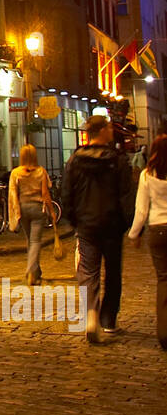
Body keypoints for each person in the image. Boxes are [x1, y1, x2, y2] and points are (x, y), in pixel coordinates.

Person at [62, 115, 134, 345]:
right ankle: (108, 320)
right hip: (112, 224)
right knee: (112, 273)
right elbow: (126, 193)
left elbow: (67, 192)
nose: (112, 131)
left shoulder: (75, 160)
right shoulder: (117, 159)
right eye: (109, 127)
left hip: (86, 224)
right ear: (102, 131)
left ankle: (91, 314)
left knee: (88, 271)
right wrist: (127, 221)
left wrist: (73, 219)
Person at [128, 134, 167, 350]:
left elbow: (141, 210)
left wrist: (134, 234)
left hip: (157, 229)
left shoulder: (147, 175)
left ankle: (164, 332)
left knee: (164, 279)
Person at [8, 144, 55, 285]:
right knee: (35, 241)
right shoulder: (41, 171)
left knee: (30, 240)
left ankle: (35, 271)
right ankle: (31, 270)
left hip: (23, 208)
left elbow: (13, 193)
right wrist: (52, 211)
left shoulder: (15, 173)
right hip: (37, 208)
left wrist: (15, 211)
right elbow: (45, 193)